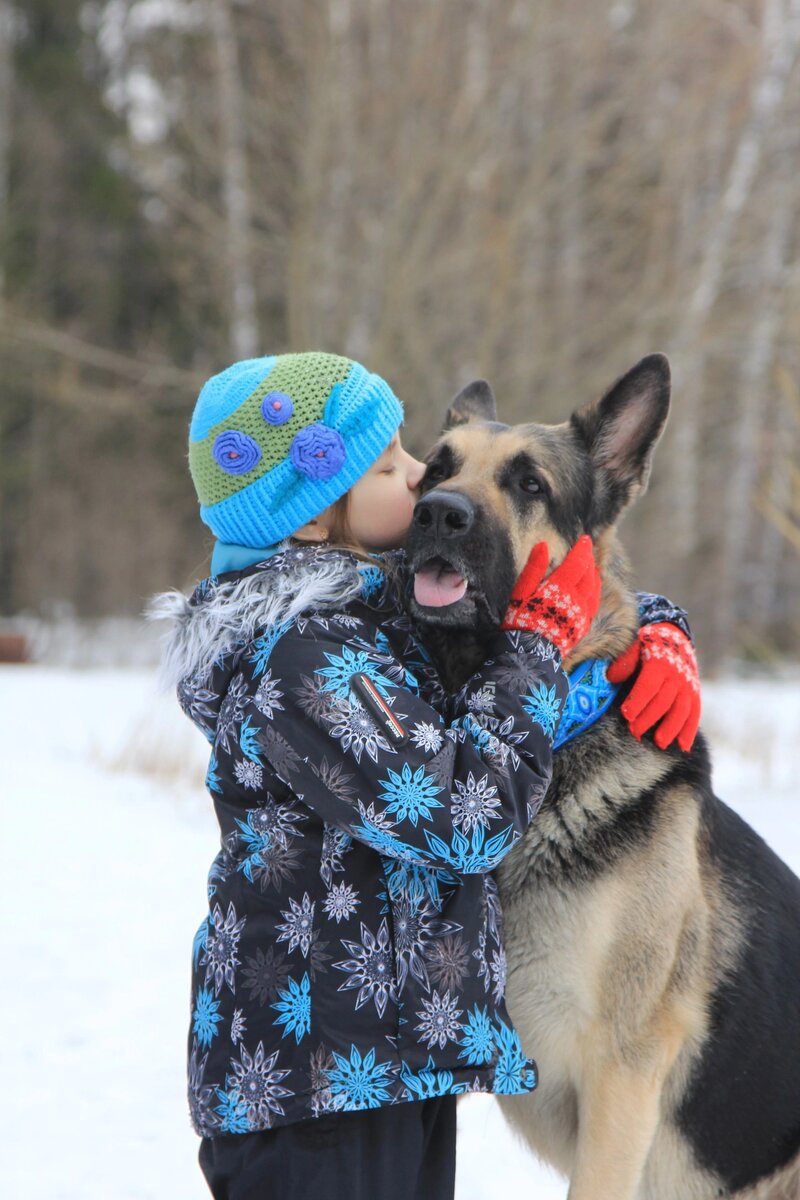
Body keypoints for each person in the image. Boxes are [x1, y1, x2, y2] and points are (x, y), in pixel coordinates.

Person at [152, 351, 699, 1200]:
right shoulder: (305, 651)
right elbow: (459, 818)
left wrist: (654, 627)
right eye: (400, 465)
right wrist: (536, 646)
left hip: (391, 1066)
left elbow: (517, 593)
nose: (427, 484)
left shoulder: (361, 609)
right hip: (314, 1086)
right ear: (309, 510)